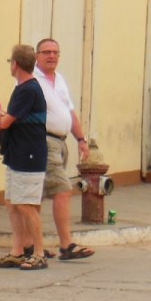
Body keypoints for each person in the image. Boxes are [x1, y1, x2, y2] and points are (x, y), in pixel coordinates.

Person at [34, 38, 95, 260]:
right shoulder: (33, 80)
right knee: (62, 190)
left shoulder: (59, 80)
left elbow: (69, 111)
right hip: (44, 141)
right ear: (36, 56)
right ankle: (66, 243)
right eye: (46, 52)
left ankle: (34, 244)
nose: (52, 56)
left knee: (37, 194)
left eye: (55, 52)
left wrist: (80, 138)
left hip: (60, 141)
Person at [0, 45, 48, 271]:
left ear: (15, 64)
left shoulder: (27, 90)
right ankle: (17, 250)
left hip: (29, 154)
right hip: (18, 153)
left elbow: (6, 122)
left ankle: (39, 252)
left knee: (26, 204)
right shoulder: (23, 88)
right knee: (13, 202)